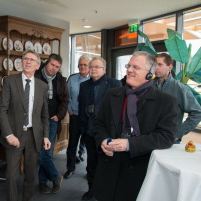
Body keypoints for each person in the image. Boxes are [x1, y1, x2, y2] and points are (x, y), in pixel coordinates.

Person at [93, 51, 177, 201]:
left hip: (139, 169)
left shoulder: (165, 101)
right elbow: (99, 124)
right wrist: (103, 140)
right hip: (109, 166)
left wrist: (129, 144)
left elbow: (166, 137)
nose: (129, 70)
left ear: (150, 74)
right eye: (128, 65)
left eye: (136, 67)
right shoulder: (112, 94)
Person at [0, 50, 51, 201]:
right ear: (21, 62)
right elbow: (2, 110)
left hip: (34, 135)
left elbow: (44, 114)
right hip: (14, 134)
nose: (28, 62)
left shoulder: (42, 86)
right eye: (25, 59)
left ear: (38, 65)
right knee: (12, 176)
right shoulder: (9, 81)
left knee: (30, 174)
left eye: (32, 60)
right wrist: (8, 134)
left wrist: (46, 135)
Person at [78, 56, 121, 200]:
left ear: (104, 69)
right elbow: (81, 107)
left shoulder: (115, 84)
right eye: (91, 67)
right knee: (91, 164)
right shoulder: (84, 85)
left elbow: (120, 109)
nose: (93, 69)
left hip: (107, 133)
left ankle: (105, 193)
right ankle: (91, 190)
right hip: (89, 131)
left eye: (97, 67)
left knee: (106, 165)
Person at [35, 54, 69, 194]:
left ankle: (43, 182)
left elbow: (65, 100)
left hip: (52, 120)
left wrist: (59, 116)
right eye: (52, 65)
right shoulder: (36, 75)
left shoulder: (61, 80)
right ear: (46, 63)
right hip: (36, 120)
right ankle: (55, 176)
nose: (54, 69)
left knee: (46, 153)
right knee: (38, 153)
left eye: (57, 67)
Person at [154, 53, 201, 143]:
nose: (156, 67)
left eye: (160, 64)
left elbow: (197, 112)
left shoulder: (180, 88)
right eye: (154, 64)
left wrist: (179, 133)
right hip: (148, 137)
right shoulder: (148, 86)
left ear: (170, 67)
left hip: (169, 138)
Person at [64, 55, 90, 179]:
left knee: (89, 144)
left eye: (85, 64)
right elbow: (66, 96)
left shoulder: (93, 80)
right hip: (74, 116)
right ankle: (70, 168)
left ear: (89, 66)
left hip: (88, 118)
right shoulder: (72, 79)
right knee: (72, 144)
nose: (82, 67)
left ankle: (90, 170)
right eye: (80, 64)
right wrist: (69, 109)